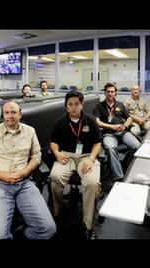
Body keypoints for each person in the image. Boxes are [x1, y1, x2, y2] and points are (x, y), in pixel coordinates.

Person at [0, 100, 56, 239]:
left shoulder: (30, 131)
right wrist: (2, 175)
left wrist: (24, 171)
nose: (10, 116)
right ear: (3, 115)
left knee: (48, 229)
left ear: (20, 114)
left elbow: (36, 156)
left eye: (14, 112)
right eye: (6, 112)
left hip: (24, 183)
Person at [49, 90, 101, 239]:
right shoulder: (60, 122)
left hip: (86, 156)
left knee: (91, 183)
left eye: (76, 104)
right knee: (55, 177)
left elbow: (97, 143)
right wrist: (57, 153)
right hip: (66, 156)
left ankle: (88, 225)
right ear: (66, 106)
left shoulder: (90, 121)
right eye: (70, 104)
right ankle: (57, 215)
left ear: (82, 104)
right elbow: (53, 142)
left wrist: (91, 159)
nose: (73, 107)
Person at [92, 83, 140, 181]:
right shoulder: (99, 106)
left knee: (138, 147)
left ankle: (125, 164)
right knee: (110, 148)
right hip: (108, 134)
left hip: (122, 132)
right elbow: (97, 122)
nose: (110, 94)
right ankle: (119, 177)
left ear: (115, 93)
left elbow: (129, 118)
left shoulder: (120, 105)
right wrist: (112, 127)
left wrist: (125, 126)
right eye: (108, 92)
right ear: (105, 93)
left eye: (112, 92)